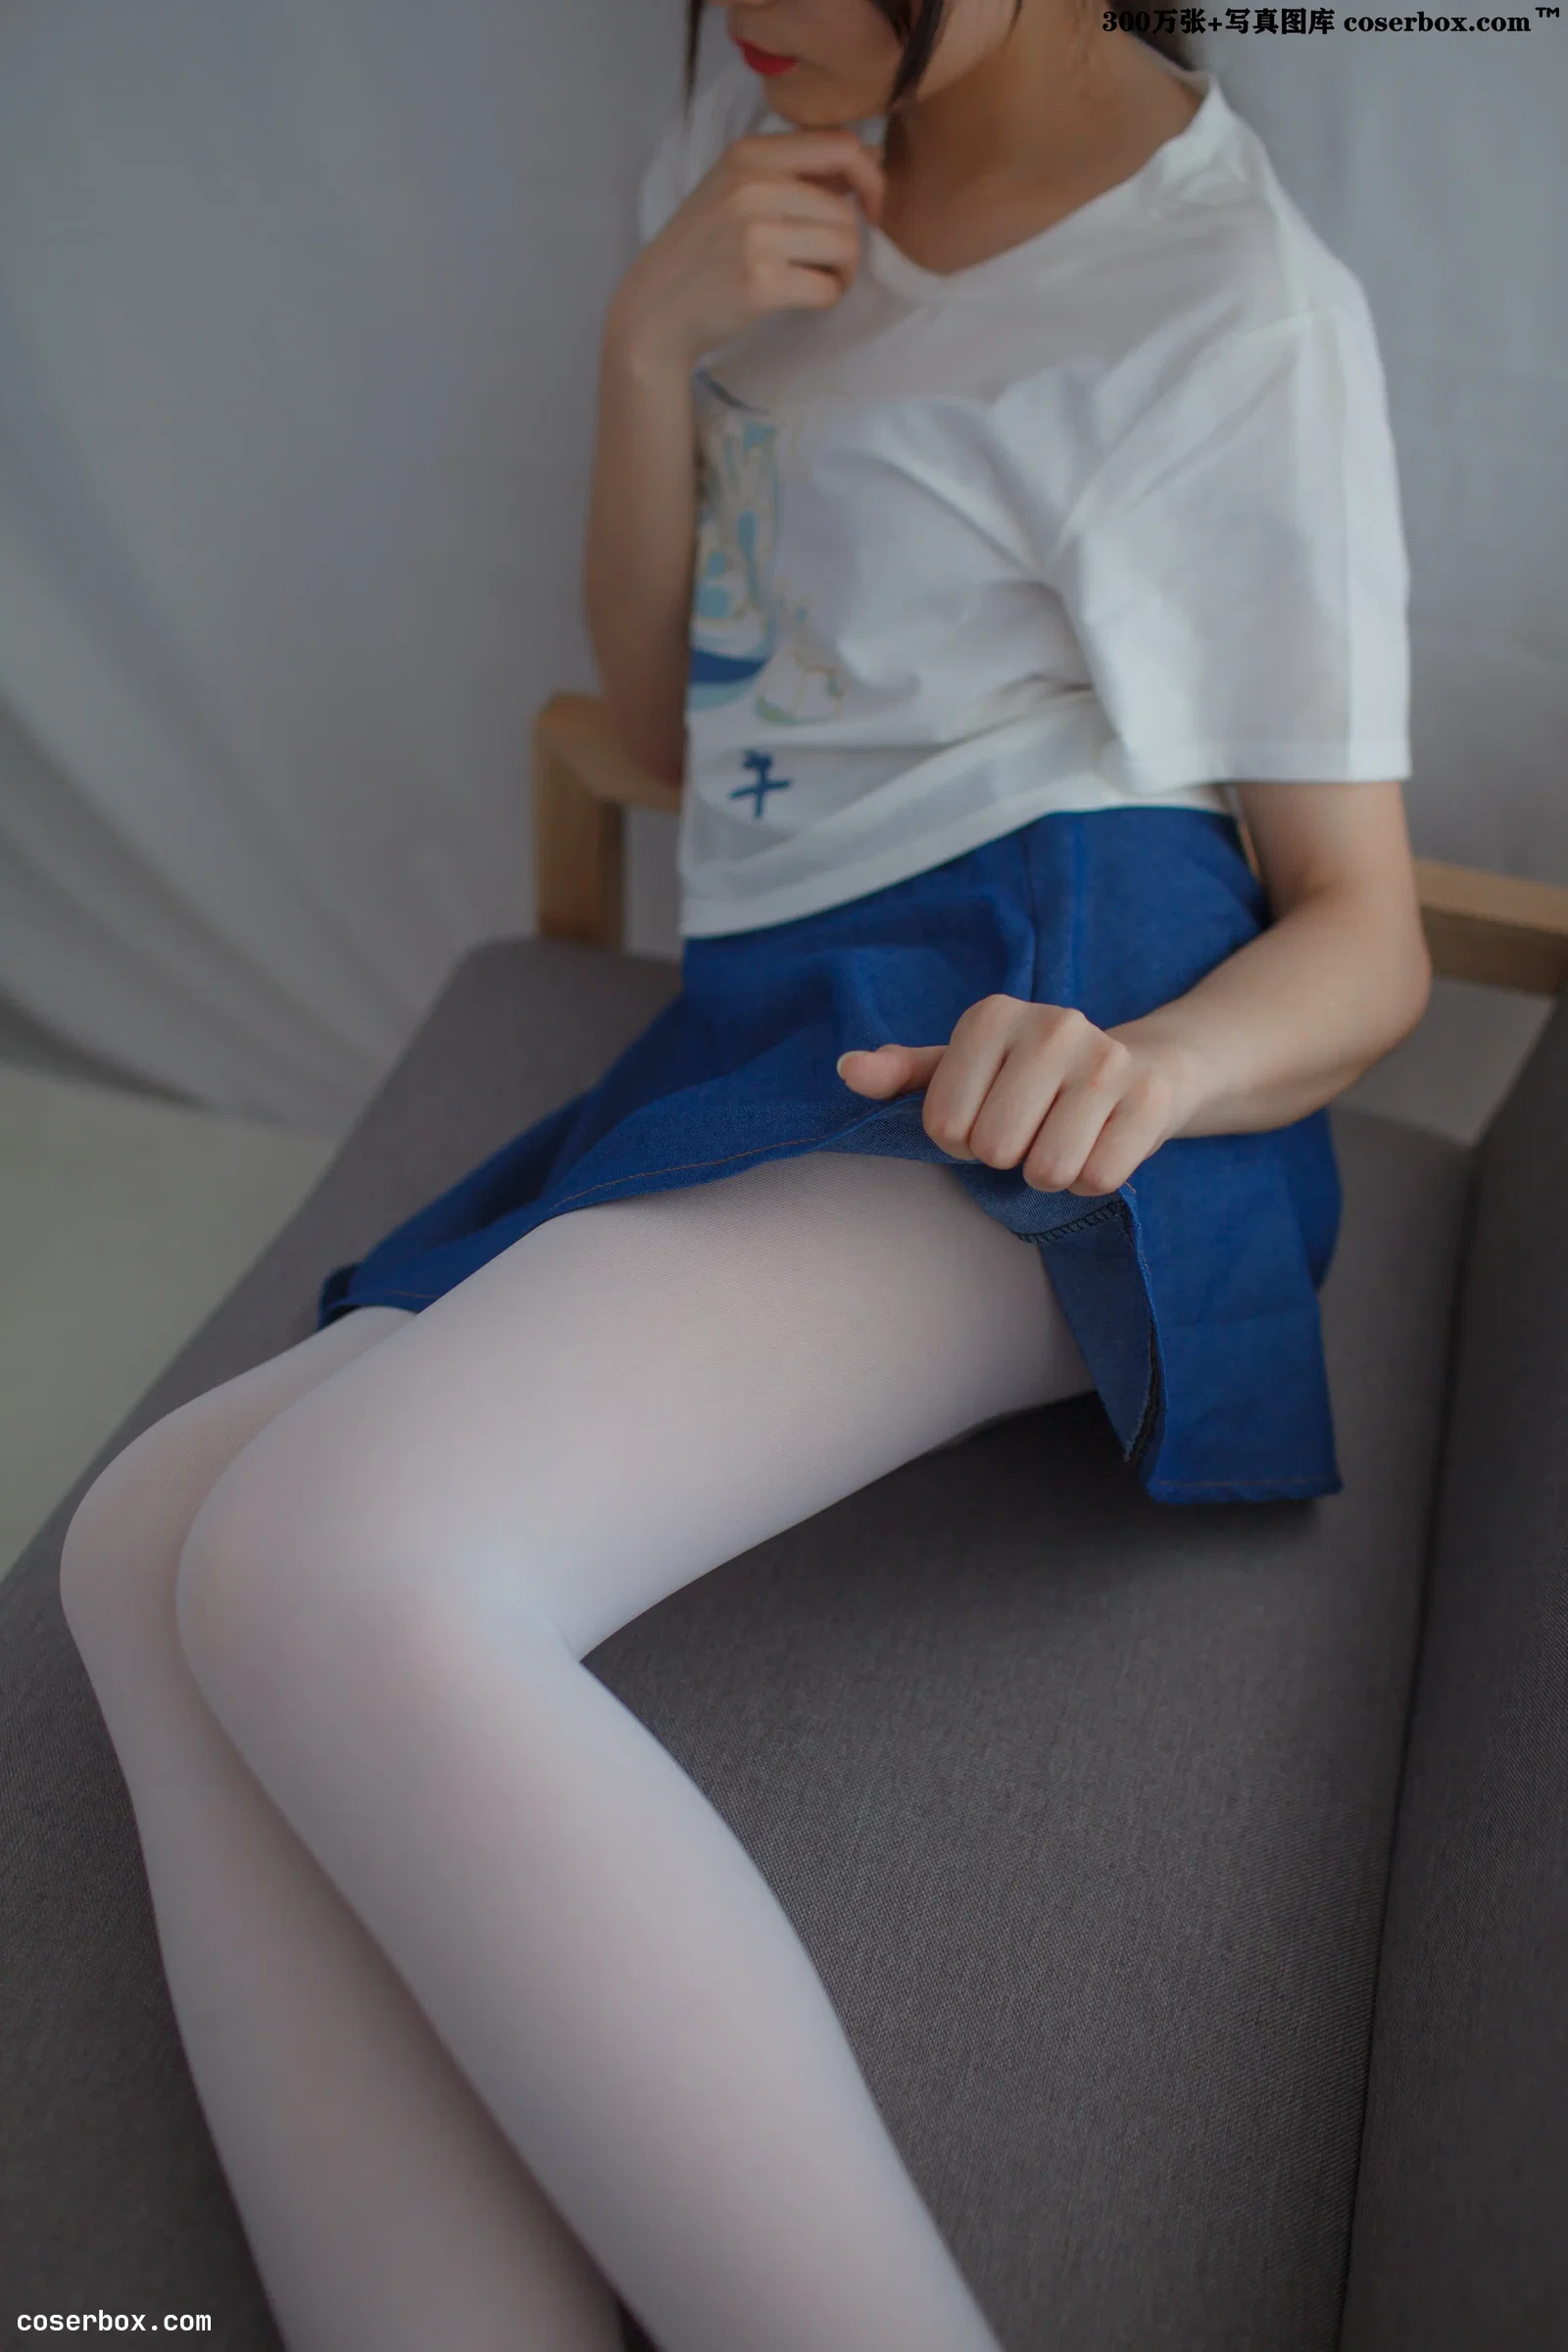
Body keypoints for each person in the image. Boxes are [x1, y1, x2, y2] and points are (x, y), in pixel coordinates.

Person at [59, 3, 1432, 2347]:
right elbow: (664, 728)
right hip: (772, 1001)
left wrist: (1135, 1068)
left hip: (1040, 1013)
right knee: (141, 1550)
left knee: (331, 1562)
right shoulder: (772, 115)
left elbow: (1365, 936)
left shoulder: (1230, 309)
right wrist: (649, 343)